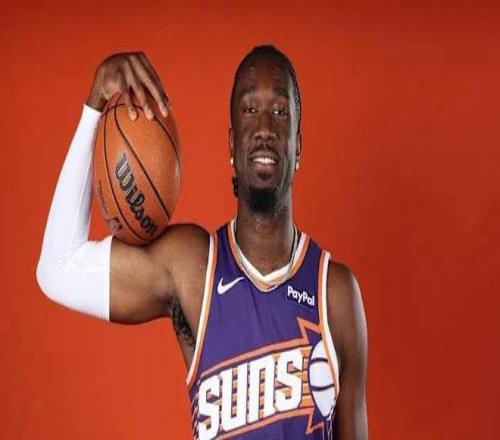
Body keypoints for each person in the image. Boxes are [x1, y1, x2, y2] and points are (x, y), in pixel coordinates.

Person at [37, 44, 368, 439]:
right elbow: (57, 269)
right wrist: (95, 106)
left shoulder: (335, 294)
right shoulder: (193, 269)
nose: (265, 127)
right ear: (231, 145)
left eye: (280, 112)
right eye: (250, 109)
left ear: (298, 147)